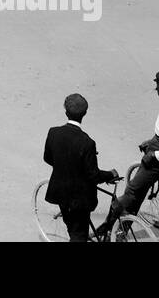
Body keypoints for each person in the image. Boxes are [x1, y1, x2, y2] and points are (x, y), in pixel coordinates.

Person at [97, 71, 159, 235]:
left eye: (158, 86)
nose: (156, 88)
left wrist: (154, 155)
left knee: (132, 192)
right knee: (138, 191)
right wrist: (150, 141)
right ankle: (122, 231)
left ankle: (107, 228)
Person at [42, 93, 121, 242]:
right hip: (80, 199)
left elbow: (47, 158)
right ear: (85, 113)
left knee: (72, 228)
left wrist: (66, 166)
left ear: (66, 112)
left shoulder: (53, 133)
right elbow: (94, 175)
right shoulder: (87, 142)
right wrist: (110, 174)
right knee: (78, 236)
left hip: (60, 192)